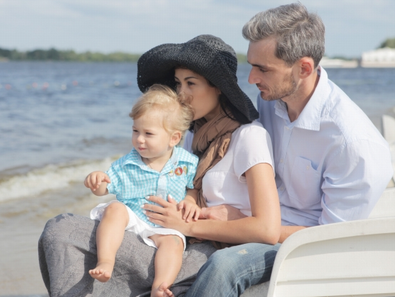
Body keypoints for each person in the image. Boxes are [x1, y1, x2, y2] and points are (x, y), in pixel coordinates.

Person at [150, 3, 392, 296]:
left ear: (303, 68)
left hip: (297, 244)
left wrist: (242, 224)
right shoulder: (269, 99)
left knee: (224, 265)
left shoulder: (355, 144)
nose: (251, 79)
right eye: (251, 65)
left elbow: (330, 238)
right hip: (252, 221)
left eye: (262, 68)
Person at [38, 34, 281, 297]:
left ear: (219, 87)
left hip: (200, 250)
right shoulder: (190, 136)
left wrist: (187, 227)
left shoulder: (249, 137)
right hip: (166, 234)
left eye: (191, 83)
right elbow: (179, 183)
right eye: (178, 83)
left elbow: (266, 230)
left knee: (63, 231)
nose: (181, 94)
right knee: (60, 231)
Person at [83, 84, 200, 297]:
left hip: (166, 225)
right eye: (135, 131)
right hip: (134, 217)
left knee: (174, 243)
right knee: (115, 208)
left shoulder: (187, 162)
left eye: (148, 133)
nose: (139, 139)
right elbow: (105, 187)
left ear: (174, 138)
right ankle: (106, 261)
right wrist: (97, 181)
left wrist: (190, 202)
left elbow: (193, 188)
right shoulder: (127, 163)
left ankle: (160, 286)